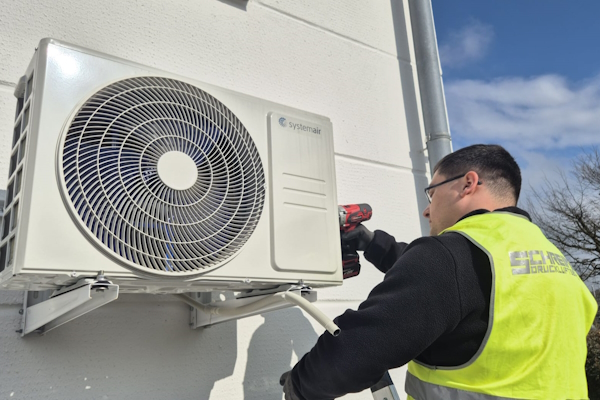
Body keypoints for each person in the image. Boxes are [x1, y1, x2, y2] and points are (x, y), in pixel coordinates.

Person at [280, 144, 598, 400]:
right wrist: (372, 243)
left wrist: (300, 385)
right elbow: (464, 287)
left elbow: (355, 353)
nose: (426, 209)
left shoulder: (449, 257)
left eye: (431, 193)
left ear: (468, 184)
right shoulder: (557, 264)